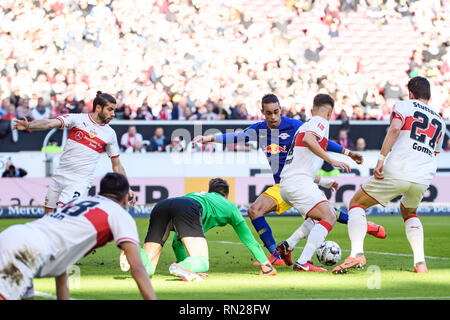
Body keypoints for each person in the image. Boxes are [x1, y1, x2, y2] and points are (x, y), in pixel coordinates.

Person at [192, 94, 386, 266]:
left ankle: (361, 226)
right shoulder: (259, 130)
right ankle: (277, 254)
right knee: (258, 211)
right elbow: (236, 137)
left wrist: (346, 152)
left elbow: (319, 141)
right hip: (283, 184)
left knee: (321, 214)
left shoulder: (294, 125)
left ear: (281, 110)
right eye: (269, 113)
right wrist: (209, 139)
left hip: (297, 181)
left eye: (276, 112)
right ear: (263, 113)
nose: (273, 117)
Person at [332, 77, 446, 274]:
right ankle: (420, 263)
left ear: (411, 93)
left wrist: (381, 159)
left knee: (357, 203)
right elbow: (435, 152)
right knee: (409, 212)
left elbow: (394, 129)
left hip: (399, 167)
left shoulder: (404, 105)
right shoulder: (440, 120)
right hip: (424, 175)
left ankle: (357, 253)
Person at [0, 173, 157, 300]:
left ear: (100, 192)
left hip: (16, 236)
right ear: (124, 198)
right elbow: (137, 268)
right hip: (29, 251)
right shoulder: (118, 213)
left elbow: (62, 263)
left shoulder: (78, 202)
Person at [120, 178, 277, 281]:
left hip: (162, 205)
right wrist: (266, 265)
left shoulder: (198, 195)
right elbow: (249, 240)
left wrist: (186, 264)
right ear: (227, 195)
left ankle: (132, 251)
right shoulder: (230, 207)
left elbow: (177, 243)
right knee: (202, 262)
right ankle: (185, 266)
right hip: (188, 208)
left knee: (147, 271)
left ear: (209, 192)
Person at [14, 91, 136, 214]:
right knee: (48, 217)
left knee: (63, 214)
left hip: (79, 181)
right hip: (59, 175)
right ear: (98, 107)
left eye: (114, 110)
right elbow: (50, 123)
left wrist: (127, 187)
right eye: (110, 110)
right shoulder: (77, 119)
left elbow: (117, 165)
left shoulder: (110, 134)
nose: (113, 114)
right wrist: (29, 125)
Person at [278, 94, 349, 272]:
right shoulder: (320, 121)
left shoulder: (304, 125)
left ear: (312, 109)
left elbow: (302, 164)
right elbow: (310, 140)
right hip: (298, 183)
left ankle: (288, 245)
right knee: (329, 216)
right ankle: (303, 262)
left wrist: (324, 181)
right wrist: (332, 161)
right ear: (330, 113)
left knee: (316, 217)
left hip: (290, 182)